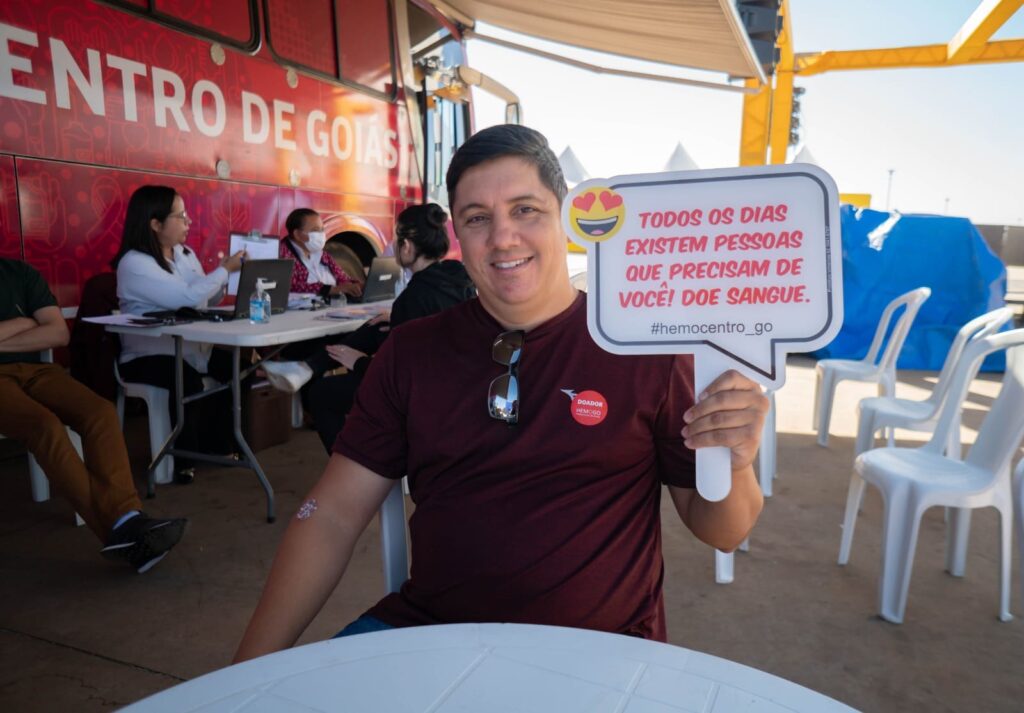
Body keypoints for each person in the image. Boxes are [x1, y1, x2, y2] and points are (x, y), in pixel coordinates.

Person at [234, 125, 767, 662]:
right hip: (429, 634)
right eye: (477, 218)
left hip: (598, 656)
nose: (503, 236)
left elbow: (722, 529)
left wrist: (737, 460)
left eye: (525, 210)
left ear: (565, 215)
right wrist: (244, 675)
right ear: (458, 235)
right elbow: (331, 515)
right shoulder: (411, 352)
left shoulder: (644, 347)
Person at [0, 258, 186, 572]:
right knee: (44, 425)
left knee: (100, 412)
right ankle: (123, 527)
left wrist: (26, 326)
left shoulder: (18, 273)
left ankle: (126, 524)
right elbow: (42, 324)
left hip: (38, 370)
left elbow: (58, 333)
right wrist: (26, 322)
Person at [305, 203, 475, 450]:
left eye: (396, 240)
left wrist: (358, 362)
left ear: (406, 246)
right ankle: (308, 366)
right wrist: (396, 319)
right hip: (456, 387)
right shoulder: (458, 278)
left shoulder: (414, 296)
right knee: (377, 327)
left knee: (322, 394)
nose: (394, 247)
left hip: (421, 397)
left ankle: (354, 468)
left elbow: (400, 375)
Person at [113, 185, 246, 482]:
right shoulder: (134, 263)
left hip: (190, 347)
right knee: (183, 377)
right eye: (180, 216)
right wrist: (223, 271)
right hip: (148, 354)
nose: (188, 223)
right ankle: (182, 460)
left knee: (236, 368)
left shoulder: (184, 254)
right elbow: (183, 298)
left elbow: (204, 298)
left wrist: (226, 279)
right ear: (155, 224)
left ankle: (221, 446)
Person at [279, 208, 363, 301]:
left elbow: (342, 278)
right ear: (297, 234)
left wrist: (356, 285)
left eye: (322, 229)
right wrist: (330, 289)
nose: (321, 234)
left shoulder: (322, 255)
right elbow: (290, 286)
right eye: (315, 230)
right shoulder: (282, 254)